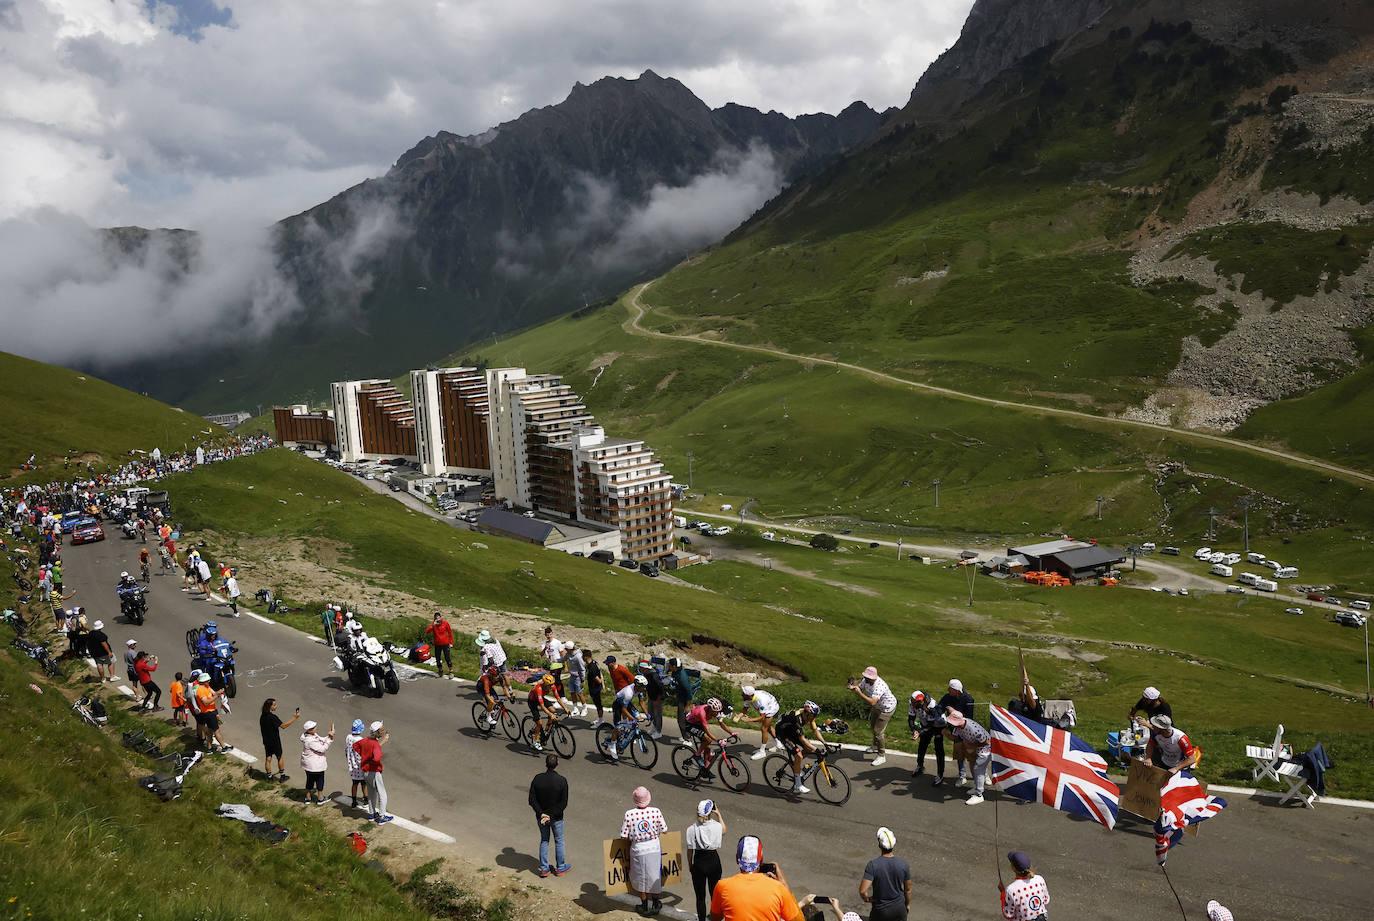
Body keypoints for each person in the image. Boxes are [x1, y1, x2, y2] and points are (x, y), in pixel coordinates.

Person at [709, 836, 802, 921]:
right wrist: (786, 888)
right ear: (761, 859)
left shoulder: (722, 886)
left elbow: (715, 917)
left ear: (737, 858)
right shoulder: (779, 888)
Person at [620, 786, 668, 916]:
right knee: (654, 876)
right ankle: (656, 903)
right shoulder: (656, 811)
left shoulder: (629, 814)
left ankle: (644, 905)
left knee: (641, 877)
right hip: (654, 847)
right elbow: (664, 829)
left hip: (638, 849)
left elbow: (624, 836)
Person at [528, 752, 571, 878]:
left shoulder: (537, 779)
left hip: (541, 818)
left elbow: (532, 800)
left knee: (544, 840)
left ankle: (544, 868)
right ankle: (560, 868)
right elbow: (563, 803)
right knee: (559, 841)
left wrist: (542, 814)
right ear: (557, 764)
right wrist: (551, 816)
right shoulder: (562, 781)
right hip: (556, 817)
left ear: (546, 764)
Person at [860, 827, 911, 921]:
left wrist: (867, 899)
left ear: (879, 845)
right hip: (899, 909)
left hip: (881, 911)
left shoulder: (873, 865)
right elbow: (907, 890)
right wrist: (907, 905)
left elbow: (863, 891)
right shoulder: (903, 864)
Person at [776, 701, 826, 795]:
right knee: (799, 755)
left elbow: (815, 731)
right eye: (813, 716)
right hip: (783, 733)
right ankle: (797, 785)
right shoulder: (796, 718)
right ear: (807, 713)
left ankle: (796, 767)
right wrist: (817, 750)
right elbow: (802, 739)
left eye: (815, 716)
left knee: (808, 748)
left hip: (792, 731)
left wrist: (825, 743)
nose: (813, 718)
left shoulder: (808, 715)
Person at [686, 800, 725, 921]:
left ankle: (701, 919)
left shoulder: (691, 829)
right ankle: (714, 917)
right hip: (714, 862)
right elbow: (724, 829)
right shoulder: (717, 826)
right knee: (714, 894)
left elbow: (690, 851)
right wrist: (718, 814)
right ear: (710, 812)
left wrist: (690, 865)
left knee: (700, 897)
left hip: (699, 862)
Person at [850, 667, 897, 767]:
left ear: (873, 678)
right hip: (878, 706)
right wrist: (853, 687)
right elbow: (860, 686)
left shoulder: (879, 686)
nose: (865, 678)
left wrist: (859, 693)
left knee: (878, 731)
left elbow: (872, 702)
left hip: (886, 708)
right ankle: (875, 746)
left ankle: (881, 755)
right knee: (872, 726)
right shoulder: (866, 680)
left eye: (867, 677)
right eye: (865, 676)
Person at [943, 708, 991, 805]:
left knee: (978, 769)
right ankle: (977, 787)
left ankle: (979, 795)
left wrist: (972, 746)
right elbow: (956, 738)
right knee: (972, 765)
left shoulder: (973, 729)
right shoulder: (958, 727)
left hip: (985, 749)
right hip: (974, 747)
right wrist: (946, 734)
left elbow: (986, 742)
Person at [938, 680, 976, 787]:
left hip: (967, 730)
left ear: (956, 690)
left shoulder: (968, 699)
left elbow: (968, 718)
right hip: (955, 730)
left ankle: (982, 775)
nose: (948, 690)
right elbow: (940, 708)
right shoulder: (947, 697)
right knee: (959, 754)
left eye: (950, 689)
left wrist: (953, 711)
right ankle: (962, 776)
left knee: (972, 754)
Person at [354, 721, 392, 824]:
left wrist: (365, 757)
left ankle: (371, 814)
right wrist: (381, 743)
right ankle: (381, 817)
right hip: (374, 772)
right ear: (378, 732)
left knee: (371, 793)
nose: (384, 731)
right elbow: (376, 758)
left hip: (365, 771)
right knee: (382, 794)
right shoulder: (375, 744)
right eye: (382, 729)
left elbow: (355, 746)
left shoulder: (365, 740)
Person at [683, 698, 731, 778]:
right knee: (708, 739)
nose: (717, 713)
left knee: (708, 748)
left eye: (718, 711)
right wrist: (717, 740)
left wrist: (731, 732)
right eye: (715, 712)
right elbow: (707, 731)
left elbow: (722, 724)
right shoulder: (702, 713)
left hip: (698, 723)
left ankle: (705, 770)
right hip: (690, 724)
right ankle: (697, 755)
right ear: (710, 710)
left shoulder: (716, 711)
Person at [998, 851, 1049, 921]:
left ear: (1013, 868)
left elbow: (1008, 914)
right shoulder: (1040, 879)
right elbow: (1046, 900)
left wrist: (1003, 893)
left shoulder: (1011, 889)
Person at [907, 691, 946, 781]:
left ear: (922, 701)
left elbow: (931, 724)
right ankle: (920, 766)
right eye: (913, 702)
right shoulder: (912, 703)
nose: (914, 704)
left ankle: (940, 774)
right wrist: (914, 730)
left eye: (916, 702)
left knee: (939, 749)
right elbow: (911, 718)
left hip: (938, 725)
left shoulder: (932, 705)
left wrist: (919, 732)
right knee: (922, 746)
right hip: (926, 724)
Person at [609, 674, 650, 761]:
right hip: (618, 705)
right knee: (618, 727)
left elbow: (642, 702)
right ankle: (612, 744)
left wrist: (648, 714)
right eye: (643, 687)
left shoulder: (640, 689)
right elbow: (623, 709)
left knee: (638, 717)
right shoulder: (629, 692)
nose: (645, 688)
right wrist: (632, 718)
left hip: (626, 703)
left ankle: (628, 734)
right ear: (638, 686)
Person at [260, 698, 301, 781]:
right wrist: (295, 718)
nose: (276, 706)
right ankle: (282, 776)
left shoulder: (262, 716)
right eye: (274, 705)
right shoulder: (272, 717)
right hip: (275, 741)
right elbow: (283, 726)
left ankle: (269, 777)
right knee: (280, 757)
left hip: (266, 741)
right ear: (269, 706)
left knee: (268, 758)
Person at [737, 685, 780, 761]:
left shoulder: (760, 701)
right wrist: (739, 715)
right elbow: (745, 709)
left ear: (748, 695)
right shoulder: (748, 698)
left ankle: (762, 752)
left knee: (764, 728)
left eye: (743, 693)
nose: (741, 694)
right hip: (767, 704)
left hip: (772, 707)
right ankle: (779, 743)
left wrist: (749, 720)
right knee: (768, 726)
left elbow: (762, 717)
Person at [299, 719, 335, 806]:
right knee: (320, 780)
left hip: (308, 764)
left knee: (310, 780)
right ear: (310, 730)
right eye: (315, 727)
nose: (316, 728)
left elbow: (321, 739)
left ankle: (308, 798)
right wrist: (330, 739)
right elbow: (322, 749)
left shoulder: (310, 735)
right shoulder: (310, 741)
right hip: (315, 765)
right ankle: (320, 799)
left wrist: (329, 735)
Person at [528, 673, 565, 752]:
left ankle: (545, 731)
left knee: (553, 710)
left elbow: (558, 698)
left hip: (540, 699)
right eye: (549, 685)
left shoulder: (552, 686)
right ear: (544, 684)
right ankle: (535, 741)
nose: (551, 686)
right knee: (539, 723)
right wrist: (550, 715)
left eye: (552, 684)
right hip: (532, 701)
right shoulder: (539, 688)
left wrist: (566, 708)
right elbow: (542, 706)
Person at [670, 658, 701, 734]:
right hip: (680, 697)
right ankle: (686, 735)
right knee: (683, 719)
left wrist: (687, 705)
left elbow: (689, 691)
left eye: (670, 665)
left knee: (681, 719)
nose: (669, 667)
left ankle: (686, 738)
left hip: (684, 700)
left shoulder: (681, 676)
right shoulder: (675, 672)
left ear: (674, 666)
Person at [345, 719, 370, 810]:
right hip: (360, 765)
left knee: (354, 783)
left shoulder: (348, 737)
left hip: (352, 764)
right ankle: (366, 799)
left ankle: (354, 801)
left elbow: (347, 749)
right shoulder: (361, 740)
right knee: (364, 783)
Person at [425, 612, 455, 679]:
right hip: (437, 644)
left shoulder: (445, 623)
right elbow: (427, 631)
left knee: (447, 658)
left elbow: (450, 633)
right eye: (436, 619)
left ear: (441, 617)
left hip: (445, 644)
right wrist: (433, 625)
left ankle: (451, 671)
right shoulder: (434, 625)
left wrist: (451, 642)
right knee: (438, 658)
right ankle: (440, 670)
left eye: (439, 618)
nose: (438, 620)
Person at [565, 641, 588, 716]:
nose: (565, 650)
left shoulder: (578, 656)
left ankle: (585, 708)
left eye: (566, 649)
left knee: (579, 693)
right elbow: (563, 659)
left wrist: (582, 680)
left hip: (578, 677)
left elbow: (582, 669)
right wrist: (555, 661)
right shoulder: (568, 654)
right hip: (572, 676)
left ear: (570, 649)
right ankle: (575, 709)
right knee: (572, 692)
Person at [584, 648, 606, 726]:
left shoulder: (592, 667)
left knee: (598, 704)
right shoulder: (593, 663)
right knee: (597, 704)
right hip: (594, 688)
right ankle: (600, 718)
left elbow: (598, 679)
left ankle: (601, 721)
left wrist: (601, 684)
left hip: (595, 689)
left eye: (583, 656)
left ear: (586, 657)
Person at [643, 665, 667, 739]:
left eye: (642, 669)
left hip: (657, 698)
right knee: (651, 713)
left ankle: (658, 732)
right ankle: (654, 728)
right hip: (651, 697)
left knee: (657, 714)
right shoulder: (647, 675)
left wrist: (660, 697)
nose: (641, 670)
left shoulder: (654, 676)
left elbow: (661, 686)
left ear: (646, 668)